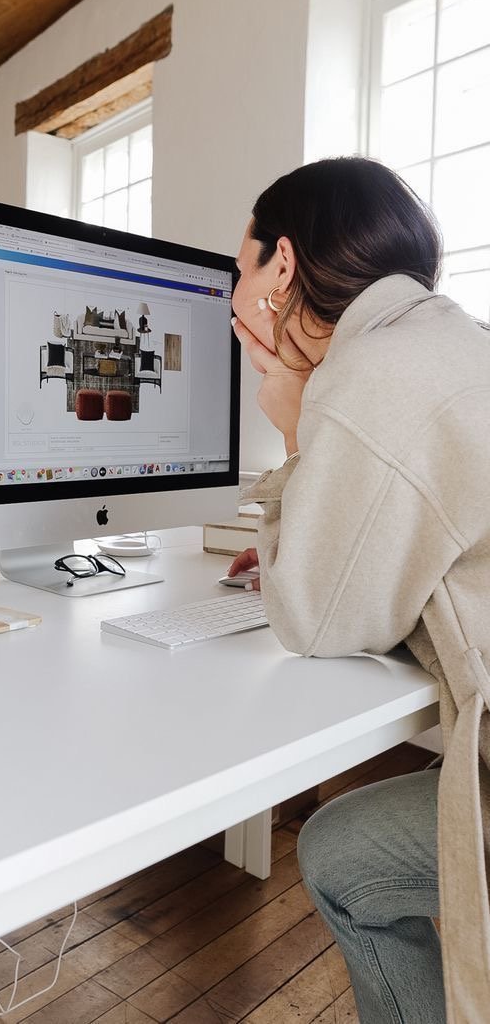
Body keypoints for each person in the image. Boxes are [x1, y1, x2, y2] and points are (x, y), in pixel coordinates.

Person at [228, 156, 490, 1024]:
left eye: (240, 266)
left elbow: (315, 619)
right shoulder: (453, 336)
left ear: (284, 267)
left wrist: (293, 421)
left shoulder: (370, 374)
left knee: (338, 853)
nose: (233, 294)